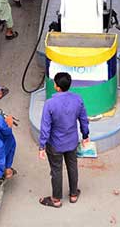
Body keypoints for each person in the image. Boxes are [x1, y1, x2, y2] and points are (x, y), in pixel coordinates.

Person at [38, 72, 89, 208]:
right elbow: (84, 119)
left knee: (56, 170)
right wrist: (85, 135)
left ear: (57, 87)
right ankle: (73, 194)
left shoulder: (50, 104)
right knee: (72, 166)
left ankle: (56, 199)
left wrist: (42, 146)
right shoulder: (77, 99)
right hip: (72, 142)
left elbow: (45, 127)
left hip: (55, 144)